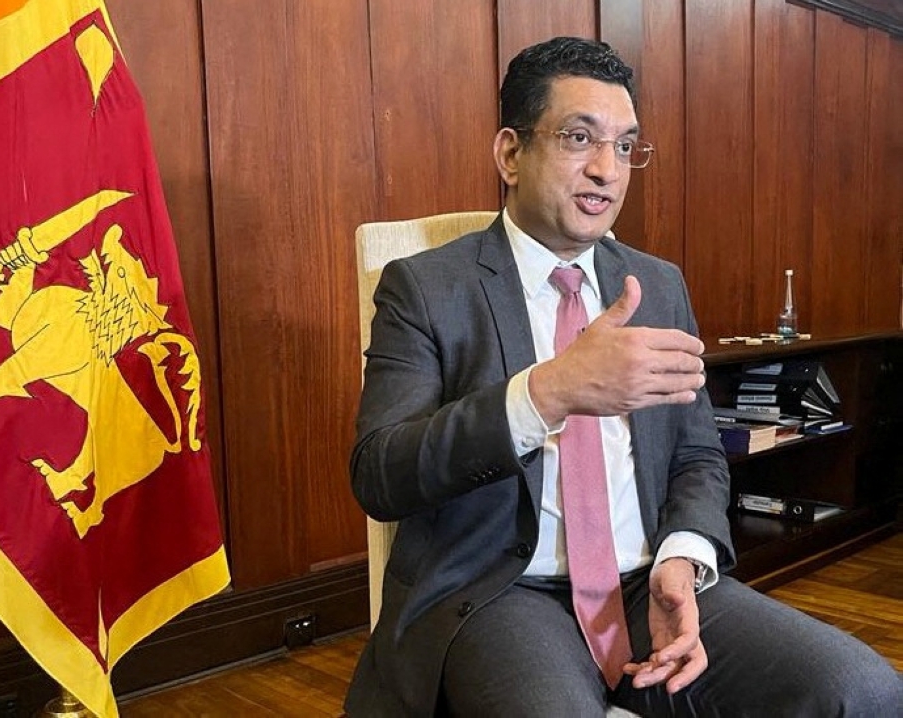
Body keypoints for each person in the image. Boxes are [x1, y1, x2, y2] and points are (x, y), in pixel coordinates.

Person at [345, 36, 902, 717]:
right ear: (511, 154)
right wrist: (549, 392)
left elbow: (698, 454)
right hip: (500, 593)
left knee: (863, 690)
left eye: (625, 145)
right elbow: (380, 473)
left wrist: (683, 558)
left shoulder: (656, 285)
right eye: (579, 137)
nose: (608, 170)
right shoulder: (427, 287)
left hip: (647, 584)